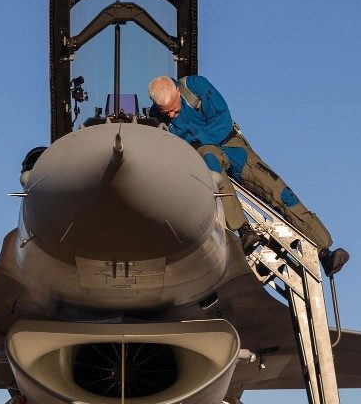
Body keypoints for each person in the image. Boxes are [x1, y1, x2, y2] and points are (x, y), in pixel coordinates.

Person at [146, 74, 349, 275]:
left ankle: (324, 252)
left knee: (278, 191)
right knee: (212, 170)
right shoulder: (157, 119)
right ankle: (244, 231)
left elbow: (222, 119)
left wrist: (198, 140)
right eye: (167, 113)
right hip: (207, 156)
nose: (172, 116)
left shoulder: (195, 87)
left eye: (174, 109)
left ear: (178, 92)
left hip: (232, 145)